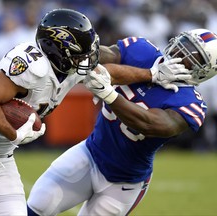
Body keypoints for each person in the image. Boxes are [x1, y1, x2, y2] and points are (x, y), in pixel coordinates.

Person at [0, 8, 188, 216]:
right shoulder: (32, 64)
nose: (88, 57)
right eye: (81, 51)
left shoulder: (71, 67)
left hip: (0, 156)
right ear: (59, 49)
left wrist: (151, 74)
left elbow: (109, 72)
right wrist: (14, 132)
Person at [26, 28, 217, 216]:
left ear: (204, 71)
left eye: (193, 55)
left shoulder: (191, 103)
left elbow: (150, 124)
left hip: (123, 183)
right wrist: (150, 73)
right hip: (89, 154)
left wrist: (109, 95)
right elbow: (96, 61)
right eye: (182, 44)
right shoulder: (142, 51)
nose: (179, 52)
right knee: (37, 206)